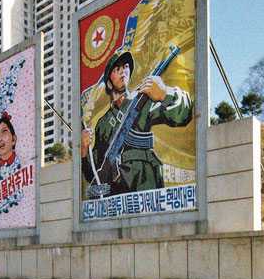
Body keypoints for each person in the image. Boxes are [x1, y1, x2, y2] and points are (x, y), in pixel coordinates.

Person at [81, 50, 193, 196]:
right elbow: (94, 173)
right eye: (117, 69)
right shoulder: (103, 123)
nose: (123, 72)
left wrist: (164, 94)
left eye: (126, 67)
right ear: (109, 83)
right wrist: (84, 151)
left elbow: (183, 114)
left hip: (144, 182)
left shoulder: (142, 99)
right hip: (116, 193)